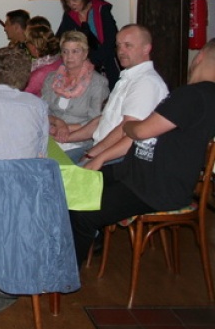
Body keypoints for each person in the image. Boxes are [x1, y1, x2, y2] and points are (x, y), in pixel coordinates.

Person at [69, 38, 215, 266]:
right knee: (76, 185)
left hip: (153, 187)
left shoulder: (192, 95)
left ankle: (66, 274)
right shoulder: (204, 96)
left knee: (82, 212)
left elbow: (141, 131)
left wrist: (128, 125)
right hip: (137, 173)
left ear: (200, 57)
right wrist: (101, 157)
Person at [64, 24, 168, 169]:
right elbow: (104, 120)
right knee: (51, 163)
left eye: (128, 45)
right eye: (118, 45)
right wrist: (67, 137)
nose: (121, 51)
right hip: (99, 146)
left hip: (120, 158)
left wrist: (92, 155)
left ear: (146, 48)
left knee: (58, 175)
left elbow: (126, 130)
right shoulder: (128, 78)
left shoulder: (146, 82)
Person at [41, 31, 110, 163]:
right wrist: (57, 122)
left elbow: (96, 121)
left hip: (80, 142)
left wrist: (65, 128)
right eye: (65, 51)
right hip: (50, 134)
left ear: (85, 53)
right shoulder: (51, 78)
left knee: (51, 164)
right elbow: (43, 110)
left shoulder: (98, 83)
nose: (69, 57)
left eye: (75, 51)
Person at [56, 0, 120, 89]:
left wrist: (95, 59)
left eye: (75, 0)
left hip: (106, 62)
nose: (71, 4)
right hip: (82, 66)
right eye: (68, 1)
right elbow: (61, 38)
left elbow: (111, 38)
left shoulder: (100, 9)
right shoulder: (69, 16)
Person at [23, 24, 61, 96]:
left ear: (34, 46)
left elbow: (22, 95)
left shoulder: (39, 73)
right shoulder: (58, 60)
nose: (26, 45)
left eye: (27, 42)